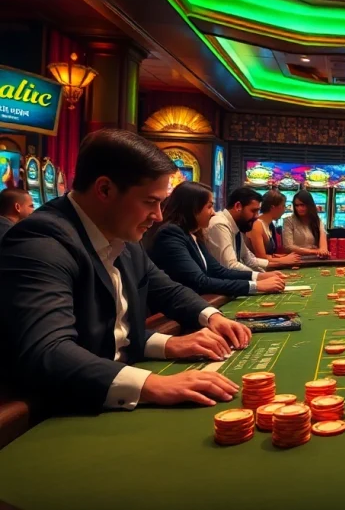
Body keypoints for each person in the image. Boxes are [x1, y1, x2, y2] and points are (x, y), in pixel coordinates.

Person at [0, 130, 249, 412]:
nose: (158, 216)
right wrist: (154, 385)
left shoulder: (123, 238)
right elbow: (48, 352)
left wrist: (210, 319)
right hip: (55, 414)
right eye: (150, 202)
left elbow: (167, 290)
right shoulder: (40, 243)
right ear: (105, 189)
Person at [146, 182, 286, 296]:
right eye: (209, 206)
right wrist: (257, 285)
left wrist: (258, 277)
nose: (213, 212)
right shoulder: (172, 233)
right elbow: (200, 281)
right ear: (192, 208)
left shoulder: (192, 234)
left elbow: (218, 270)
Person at [207, 187, 297, 273]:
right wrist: (260, 277)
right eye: (253, 211)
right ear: (238, 206)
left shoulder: (235, 226)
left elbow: (249, 260)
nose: (257, 216)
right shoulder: (220, 224)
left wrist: (265, 274)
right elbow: (231, 265)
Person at [246, 189, 297, 263]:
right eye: (283, 206)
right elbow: (261, 258)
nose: (284, 209)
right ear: (273, 207)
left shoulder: (269, 224)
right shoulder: (257, 225)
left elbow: (268, 255)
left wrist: (277, 256)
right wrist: (283, 260)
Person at [282, 190, 329, 258]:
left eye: (302, 205)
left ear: (309, 205)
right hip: (295, 259)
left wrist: (323, 251)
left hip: (315, 259)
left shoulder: (317, 220)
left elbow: (323, 245)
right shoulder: (288, 221)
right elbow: (288, 246)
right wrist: (314, 251)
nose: (299, 208)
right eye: (296, 205)